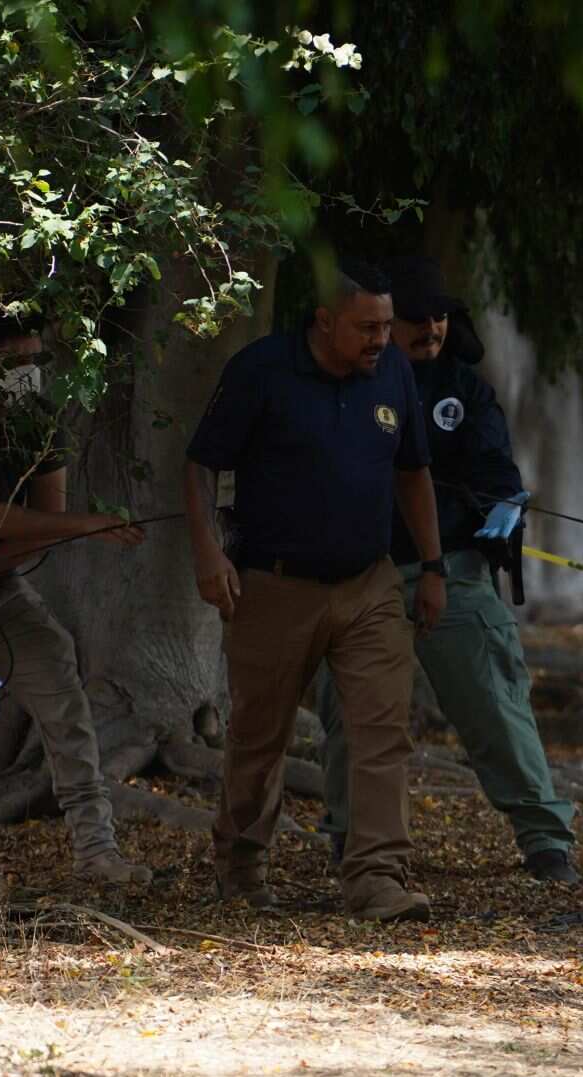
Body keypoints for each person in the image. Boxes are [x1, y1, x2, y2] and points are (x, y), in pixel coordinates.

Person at [182, 258, 447, 921]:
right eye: (365, 327)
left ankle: (378, 877)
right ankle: (240, 864)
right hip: (274, 585)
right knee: (258, 734)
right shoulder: (261, 370)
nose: (380, 340)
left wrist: (434, 567)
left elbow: (413, 473)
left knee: (382, 730)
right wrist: (208, 553)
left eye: (386, 326)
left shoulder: (394, 374)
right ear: (324, 321)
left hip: (369, 583)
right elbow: (199, 465)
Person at [312, 256, 578, 884]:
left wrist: (499, 513)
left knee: (494, 701)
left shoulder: (466, 386)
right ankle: (351, 835)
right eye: (414, 317)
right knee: (350, 712)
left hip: (453, 570)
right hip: (359, 573)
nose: (429, 327)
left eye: (439, 315)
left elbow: (499, 476)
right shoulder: (343, 381)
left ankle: (545, 839)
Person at [0, 309, 152, 884]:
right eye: (11, 362)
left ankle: (96, 852)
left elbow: (44, 524)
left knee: (63, 692)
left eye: (34, 361)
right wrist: (91, 525)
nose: (25, 373)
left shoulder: (38, 421)